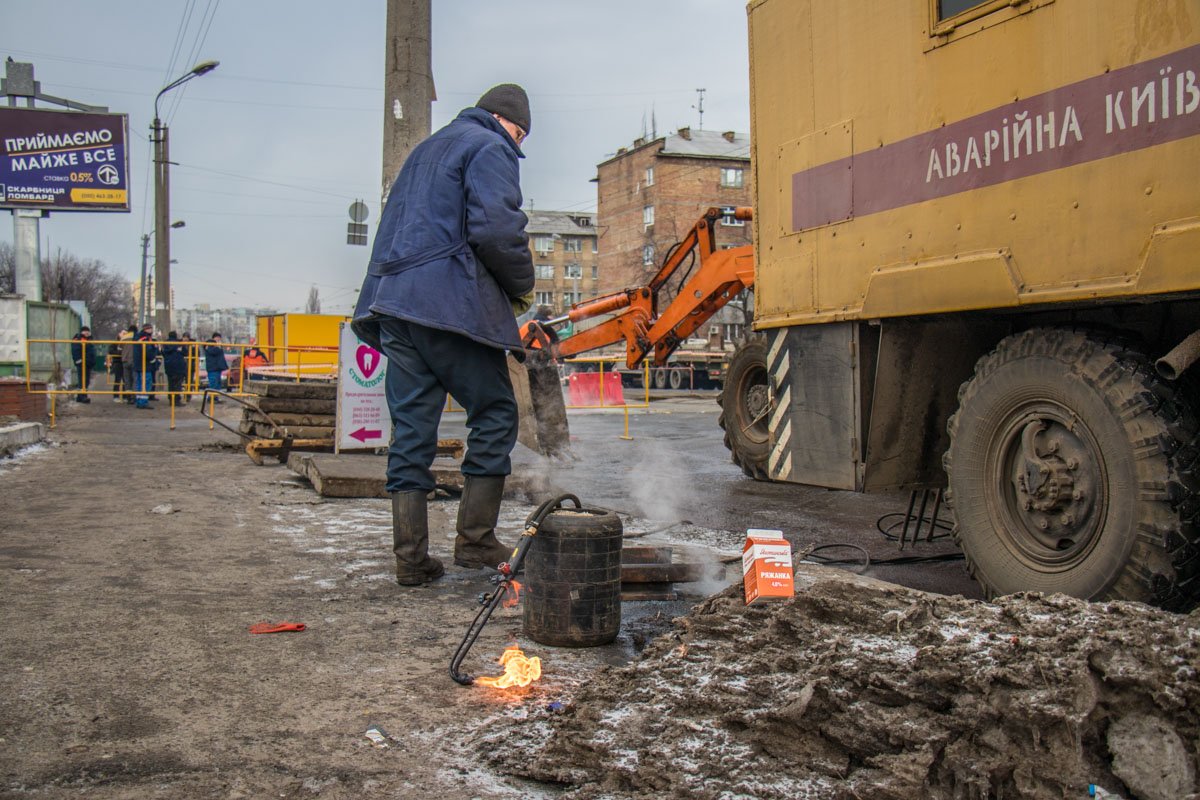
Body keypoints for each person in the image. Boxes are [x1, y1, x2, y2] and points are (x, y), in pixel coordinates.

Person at [352, 83, 536, 587]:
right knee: (496, 412)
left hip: (393, 304)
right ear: (509, 123)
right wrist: (520, 288)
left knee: (411, 431)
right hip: (446, 304)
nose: (518, 145)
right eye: (521, 135)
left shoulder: (426, 150)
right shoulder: (490, 145)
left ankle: (411, 559)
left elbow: (394, 228)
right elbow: (497, 230)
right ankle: (476, 542)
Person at [131, 323, 159, 409]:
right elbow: (148, 352)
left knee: (139, 383)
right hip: (145, 364)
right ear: (146, 329)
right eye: (150, 329)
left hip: (138, 364)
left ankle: (139, 400)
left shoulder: (137, 337)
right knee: (146, 383)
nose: (151, 330)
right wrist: (153, 358)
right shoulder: (145, 338)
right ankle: (143, 402)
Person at [70, 326, 95, 403]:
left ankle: (80, 396)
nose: (87, 333)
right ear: (82, 332)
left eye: (88, 331)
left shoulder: (89, 340)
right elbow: (75, 351)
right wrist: (79, 361)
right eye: (85, 331)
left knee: (86, 380)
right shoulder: (78, 339)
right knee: (83, 380)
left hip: (87, 363)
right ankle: (83, 396)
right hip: (82, 363)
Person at [161, 331, 187, 403]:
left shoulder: (165, 344)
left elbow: (162, 353)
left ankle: (171, 399)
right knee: (178, 384)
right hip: (179, 366)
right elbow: (185, 352)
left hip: (168, 366)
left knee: (171, 383)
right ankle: (176, 400)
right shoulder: (179, 343)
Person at [204, 333, 226, 400]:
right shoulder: (210, 346)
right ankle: (211, 398)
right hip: (213, 368)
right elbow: (214, 352)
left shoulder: (216, 347)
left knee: (217, 384)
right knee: (213, 383)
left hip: (216, 368)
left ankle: (215, 397)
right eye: (217, 337)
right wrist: (218, 346)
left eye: (219, 337)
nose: (218, 339)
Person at [120, 325, 137, 404]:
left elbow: (120, 347)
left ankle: (128, 397)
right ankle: (134, 397)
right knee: (135, 379)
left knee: (127, 380)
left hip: (125, 360)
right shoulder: (137, 336)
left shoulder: (124, 337)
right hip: (134, 360)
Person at [106, 336, 124, 402]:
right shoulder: (114, 344)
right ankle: (116, 396)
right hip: (117, 363)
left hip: (125, 362)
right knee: (117, 380)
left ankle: (125, 396)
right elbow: (111, 351)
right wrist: (119, 352)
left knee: (126, 380)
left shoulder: (126, 343)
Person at [181, 333, 197, 403]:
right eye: (184, 337)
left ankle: (188, 396)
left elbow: (197, 354)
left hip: (190, 365)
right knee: (180, 381)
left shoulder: (193, 345)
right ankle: (179, 396)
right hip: (181, 365)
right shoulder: (179, 344)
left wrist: (193, 348)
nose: (185, 339)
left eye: (187, 337)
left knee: (189, 381)